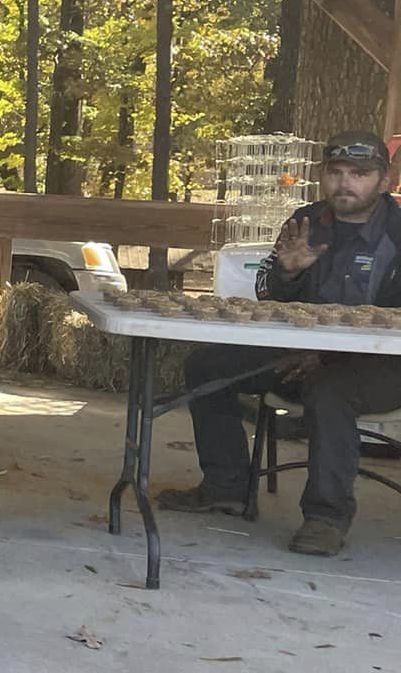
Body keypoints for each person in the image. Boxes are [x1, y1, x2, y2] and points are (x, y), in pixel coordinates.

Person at [159, 130, 401, 556]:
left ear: (385, 181)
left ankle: (326, 518)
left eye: (360, 174)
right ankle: (226, 487)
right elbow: (267, 292)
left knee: (331, 390)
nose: (345, 183)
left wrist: (327, 354)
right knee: (206, 365)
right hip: (297, 352)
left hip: (381, 367)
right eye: (336, 172)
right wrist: (287, 274)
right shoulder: (306, 219)